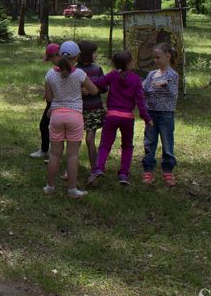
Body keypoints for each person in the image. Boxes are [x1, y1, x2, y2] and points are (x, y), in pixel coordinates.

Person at [43, 41, 99, 199]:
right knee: (72, 155)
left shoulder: (50, 74)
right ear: (77, 57)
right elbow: (94, 90)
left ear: (60, 55)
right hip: (75, 116)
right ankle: (72, 190)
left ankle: (50, 186)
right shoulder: (80, 74)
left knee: (54, 154)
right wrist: (81, 91)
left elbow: (48, 98)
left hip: (56, 116)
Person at [89, 51, 152, 186]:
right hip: (127, 118)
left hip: (111, 116)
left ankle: (99, 168)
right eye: (132, 60)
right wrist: (146, 118)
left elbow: (100, 83)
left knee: (105, 144)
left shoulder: (113, 75)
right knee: (127, 146)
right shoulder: (136, 79)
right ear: (129, 63)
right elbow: (140, 101)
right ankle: (123, 174)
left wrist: (88, 79)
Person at [141, 42, 179, 186]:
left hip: (166, 114)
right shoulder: (151, 74)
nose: (155, 60)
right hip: (151, 113)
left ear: (167, 57)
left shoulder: (173, 75)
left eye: (158, 57)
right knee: (149, 142)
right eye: (154, 58)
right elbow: (143, 88)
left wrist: (156, 86)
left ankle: (168, 170)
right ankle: (148, 170)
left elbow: (168, 89)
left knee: (167, 142)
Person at [76, 40, 106, 171]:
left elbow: (105, 87)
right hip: (78, 111)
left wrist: (95, 89)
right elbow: (68, 88)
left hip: (94, 110)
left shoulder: (97, 69)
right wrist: (80, 91)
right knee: (75, 141)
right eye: (94, 53)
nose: (95, 55)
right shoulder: (75, 69)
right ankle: (72, 166)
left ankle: (95, 168)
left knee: (89, 140)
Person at [30, 43, 60, 159]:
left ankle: (55, 153)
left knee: (57, 128)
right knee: (44, 125)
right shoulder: (52, 72)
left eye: (55, 56)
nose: (53, 59)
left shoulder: (71, 70)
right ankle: (45, 149)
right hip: (52, 102)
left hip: (61, 103)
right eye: (51, 57)